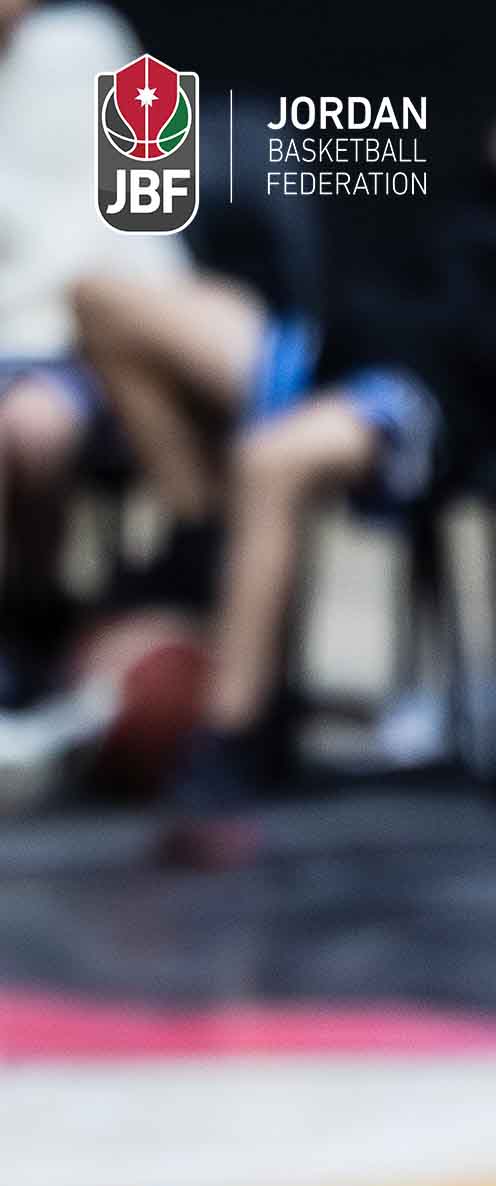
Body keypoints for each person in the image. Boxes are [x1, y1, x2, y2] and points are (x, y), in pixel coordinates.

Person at [71, 31, 496, 866]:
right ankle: (200, 537)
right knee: (106, 301)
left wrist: (470, 350)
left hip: (433, 408)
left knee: (274, 461)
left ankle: (229, 742)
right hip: (342, 359)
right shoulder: (477, 201)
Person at [0, 0, 179, 701]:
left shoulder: (94, 42)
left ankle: (31, 628)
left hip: (82, 342)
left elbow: (155, 209)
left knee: (34, 428)